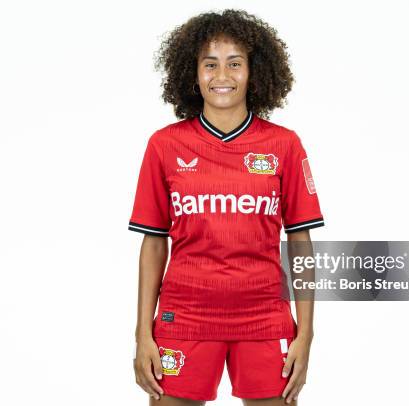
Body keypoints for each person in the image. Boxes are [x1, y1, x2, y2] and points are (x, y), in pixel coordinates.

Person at [129, 9, 324, 406]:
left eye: (235, 63)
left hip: (264, 318)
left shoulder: (283, 145)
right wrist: (142, 334)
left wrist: (306, 333)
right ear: (192, 73)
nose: (222, 76)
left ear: (254, 72)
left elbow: (300, 242)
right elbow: (153, 244)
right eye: (210, 64)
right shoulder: (164, 146)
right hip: (183, 318)